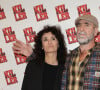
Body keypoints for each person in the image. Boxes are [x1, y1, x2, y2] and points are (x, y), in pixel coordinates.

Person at [12, 25, 67, 90]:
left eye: (53, 38)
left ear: (58, 44)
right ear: (42, 46)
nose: (49, 42)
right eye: (45, 39)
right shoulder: (32, 66)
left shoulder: (66, 68)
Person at [61, 14, 100, 90]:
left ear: (95, 31)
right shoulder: (69, 57)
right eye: (79, 25)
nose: (81, 29)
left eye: (87, 25)